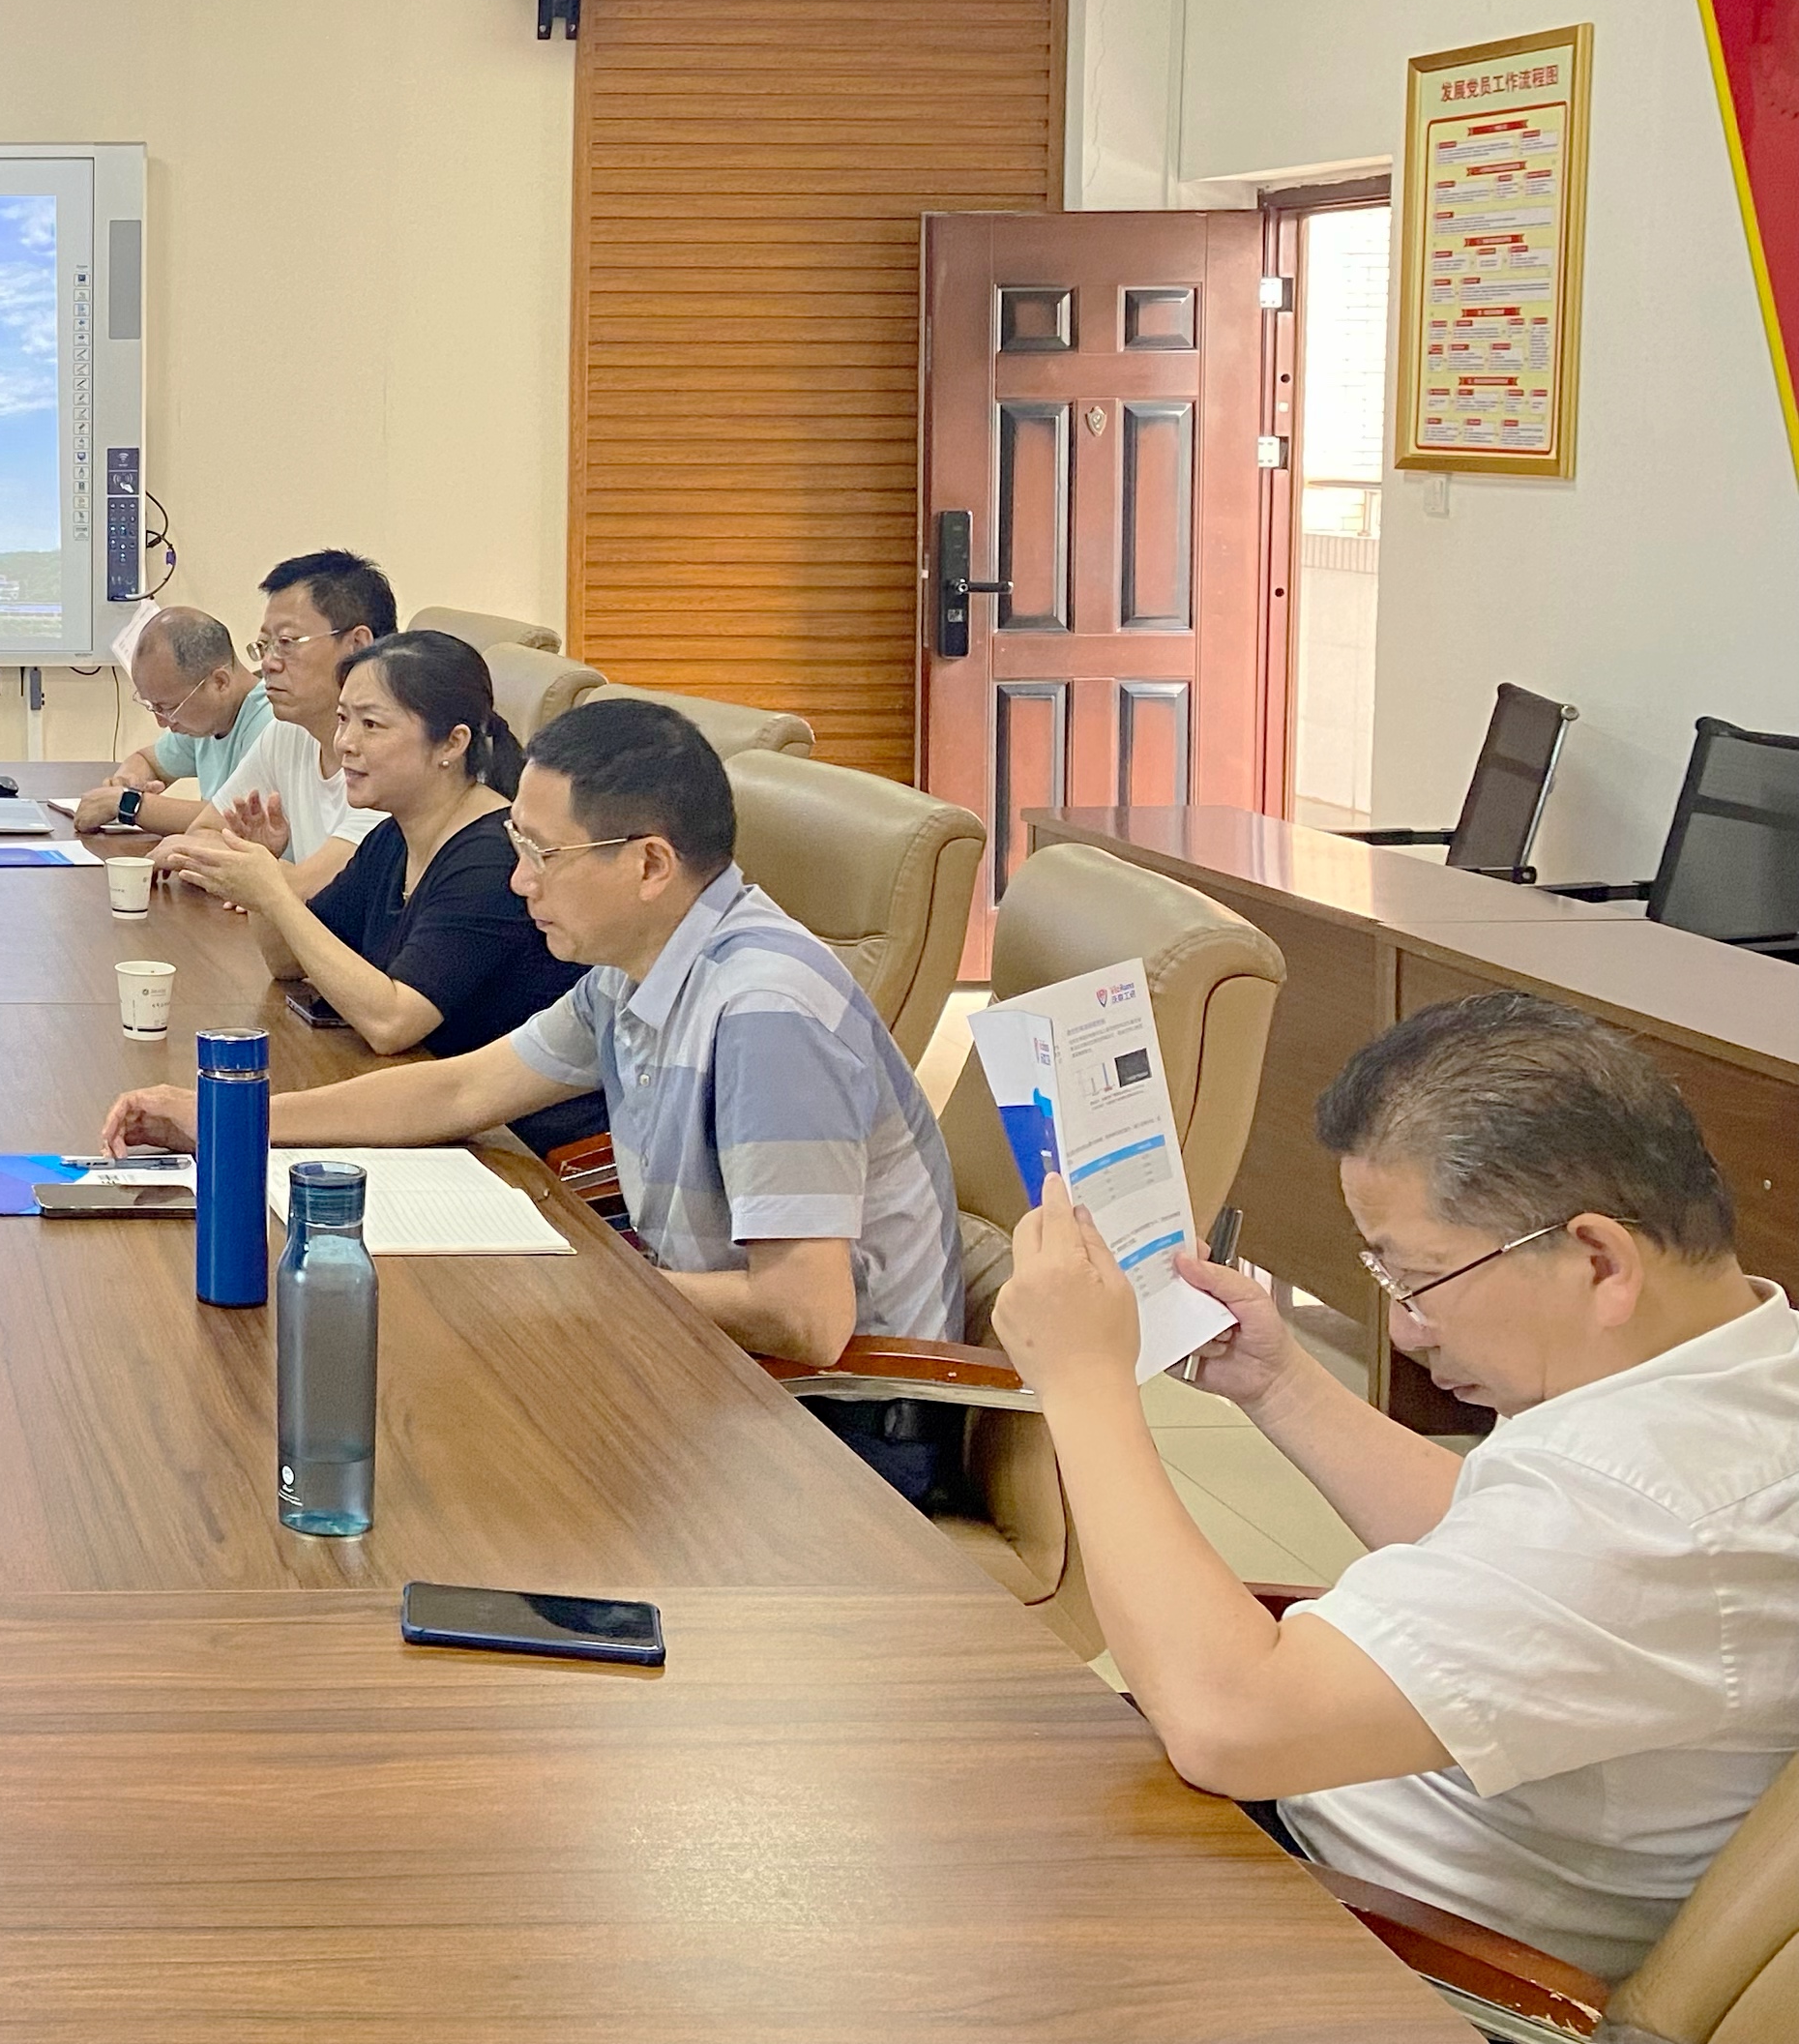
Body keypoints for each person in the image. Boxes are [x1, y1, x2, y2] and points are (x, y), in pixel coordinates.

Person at [989, 992, 1799, 1983]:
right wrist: (1281, 1385)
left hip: (1372, 1940)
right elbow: (1504, 1548)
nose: (1408, 1328)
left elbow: (1231, 1724)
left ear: (1598, 1259)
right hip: (1329, 1826)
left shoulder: (1646, 1507)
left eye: (1419, 1279)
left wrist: (1083, 1383)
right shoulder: (1741, 1372)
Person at [103, 696, 961, 1498]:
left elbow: (805, 1316)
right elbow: (462, 1087)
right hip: (709, 1358)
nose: (519, 882)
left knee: (434, 1466)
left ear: (650, 864)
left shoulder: (766, 1011)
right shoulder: (639, 967)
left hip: (833, 1429)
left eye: (542, 855)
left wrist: (574, 1287)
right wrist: (228, 1120)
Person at [128, 629, 577, 1065]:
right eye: (343, 719)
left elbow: (392, 1023)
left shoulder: (492, 861)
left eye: (371, 724)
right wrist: (264, 871)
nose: (344, 743)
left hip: (496, 1113)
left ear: (452, 743)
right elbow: (287, 963)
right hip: (410, 1082)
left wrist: (274, 893)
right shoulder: (394, 835)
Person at [180, 548, 398, 901]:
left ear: (357, 645)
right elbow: (202, 833)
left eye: (286, 643)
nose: (268, 663)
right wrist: (260, 873)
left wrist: (260, 876)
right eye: (265, 645)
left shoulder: (393, 760)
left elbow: (305, 888)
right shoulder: (289, 731)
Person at [69, 607, 268, 839]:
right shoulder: (208, 721)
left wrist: (129, 804)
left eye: (169, 707)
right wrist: (129, 782)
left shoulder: (272, 721)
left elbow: (234, 818)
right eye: (154, 707)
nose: (162, 722)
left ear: (220, 682)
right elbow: (147, 760)